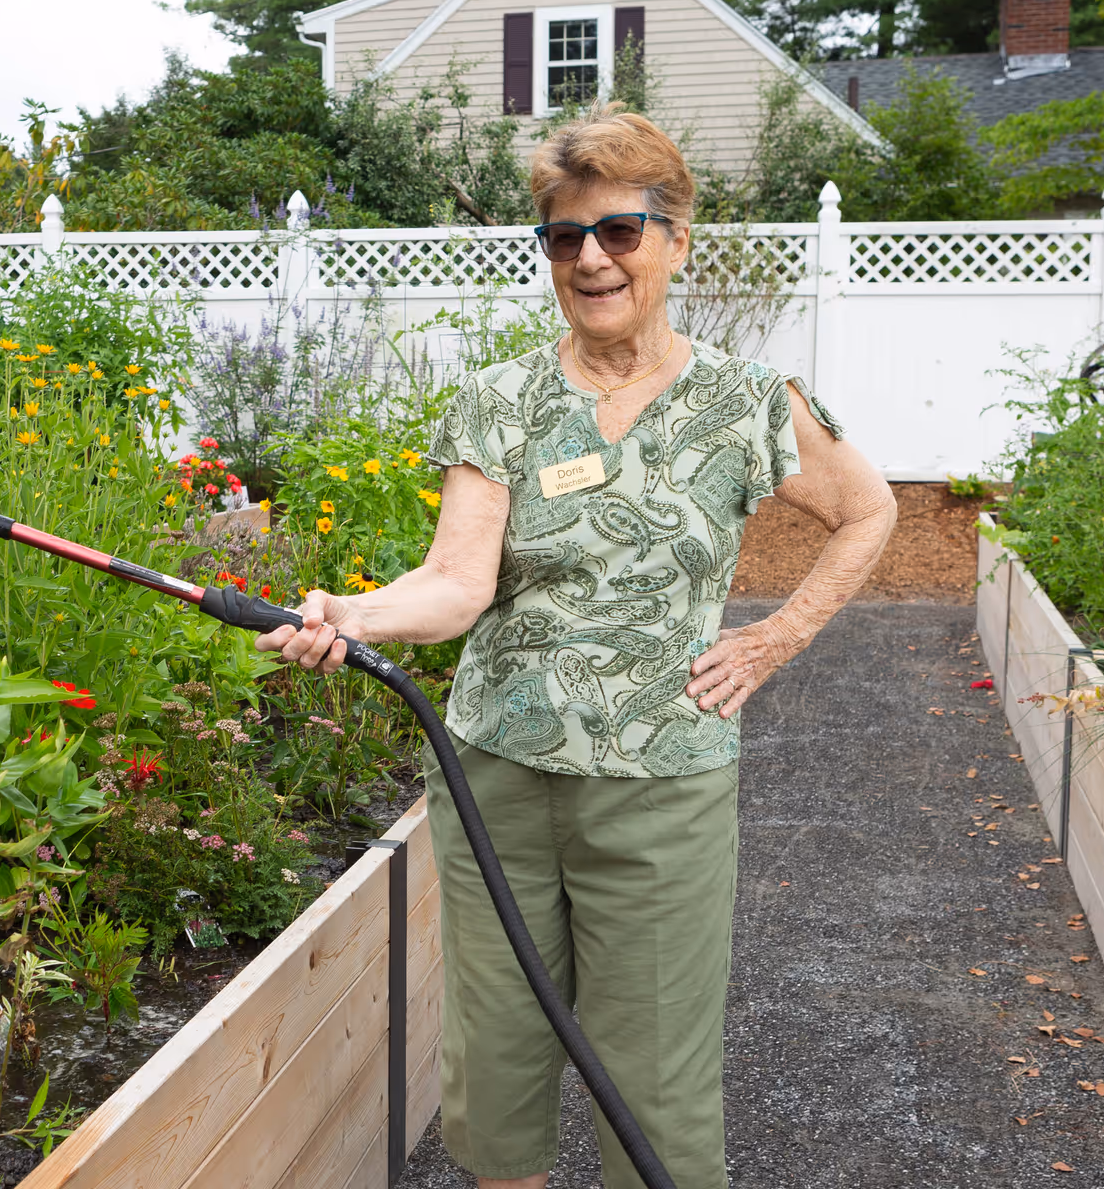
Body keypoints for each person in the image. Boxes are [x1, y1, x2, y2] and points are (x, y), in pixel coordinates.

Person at [255, 107, 897, 1189]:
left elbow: (869, 510)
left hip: (662, 787)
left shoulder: (745, 400)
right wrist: (353, 614)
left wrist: (774, 638)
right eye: (565, 236)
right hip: (496, 779)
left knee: (657, 1080)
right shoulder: (502, 396)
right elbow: (458, 580)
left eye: (621, 230)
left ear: (676, 238)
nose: (592, 257)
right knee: (496, 1062)